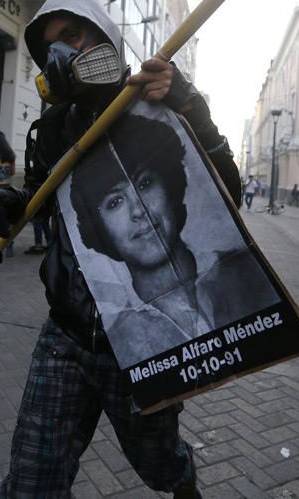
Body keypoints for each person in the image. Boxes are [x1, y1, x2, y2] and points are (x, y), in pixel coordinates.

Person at [0, 0, 240, 498]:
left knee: (158, 464)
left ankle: (183, 484)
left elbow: (230, 198)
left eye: (73, 35)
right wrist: (4, 203)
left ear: (105, 35)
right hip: (67, 336)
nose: (63, 55)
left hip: (149, 344)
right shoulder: (51, 129)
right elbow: (48, 197)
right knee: (31, 484)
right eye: (52, 47)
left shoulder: (160, 103)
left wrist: (193, 109)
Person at [69, 111, 278, 367]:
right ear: (98, 228)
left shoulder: (242, 274)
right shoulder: (115, 329)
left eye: (145, 184)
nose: (139, 210)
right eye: (115, 202)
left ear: (171, 186)